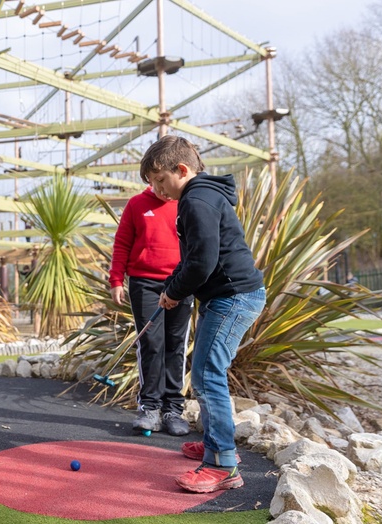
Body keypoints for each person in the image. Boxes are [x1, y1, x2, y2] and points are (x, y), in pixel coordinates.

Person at [142, 135, 265, 494]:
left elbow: (203, 262)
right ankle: (215, 443)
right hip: (230, 295)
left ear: (181, 169)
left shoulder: (196, 201)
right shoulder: (203, 195)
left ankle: (222, 464)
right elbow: (194, 258)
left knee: (208, 373)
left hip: (233, 296)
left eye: (160, 180)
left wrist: (176, 292)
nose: (158, 190)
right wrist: (172, 287)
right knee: (207, 371)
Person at [108, 185, 193, 437]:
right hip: (144, 282)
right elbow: (122, 243)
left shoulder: (187, 203)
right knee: (151, 343)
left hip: (182, 281)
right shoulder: (136, 204)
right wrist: (115, 279)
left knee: (176, 345)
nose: (164, 191)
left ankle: (173, 410)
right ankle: (150, 408)